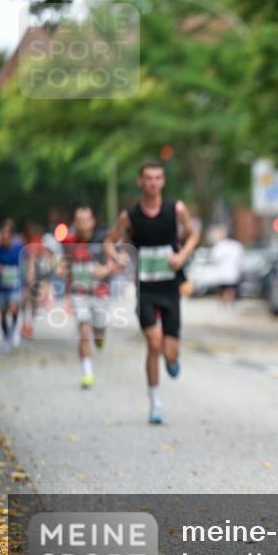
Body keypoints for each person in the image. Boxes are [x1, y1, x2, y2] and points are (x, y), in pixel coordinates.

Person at [105, 161, 200, 424]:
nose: (153, 183)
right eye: (148, 178)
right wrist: (118, 256)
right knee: (153, 344)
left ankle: (172, 360)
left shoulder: (176, 209)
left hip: (169, 288)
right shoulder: (129, 216)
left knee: (169, 352)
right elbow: (109, 241)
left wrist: (182, 256)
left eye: (158, 178)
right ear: (140, 181)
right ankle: (155, 403)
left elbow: (193, 235)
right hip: (145, 289)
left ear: (163, 181)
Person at [63, 206, 114, 388]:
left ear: (93, 222)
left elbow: (115, 261)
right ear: (75, 223)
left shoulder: (103, 239)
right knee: (84, 332)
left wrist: (105, 270)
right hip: (79, 294)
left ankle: (100, 337)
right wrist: (62, 268)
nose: (83, 225)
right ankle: (87, 373)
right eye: (79, 221)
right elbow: (65, 262)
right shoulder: (69, 242)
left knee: (98, 336)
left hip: (100, 294)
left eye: (86, 220)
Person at [0, 219, 24, 353]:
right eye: (2, 237)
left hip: (15, 285)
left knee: (14, 308)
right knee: (3, 314)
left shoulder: (18, 247)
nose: (5, 239)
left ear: (11, 236)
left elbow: (27, 259)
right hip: (1, 287)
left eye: (7, 236)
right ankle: (6, 338)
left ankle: (14, 330)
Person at [210, 228, 244, 306]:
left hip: (222, 273)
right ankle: (229, 303)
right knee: (230, 289)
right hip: (232, 272)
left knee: (223, 289)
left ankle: (225, 303)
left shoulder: (220, 245)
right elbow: (240, 259)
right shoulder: (237, 246)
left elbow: (214, 258)